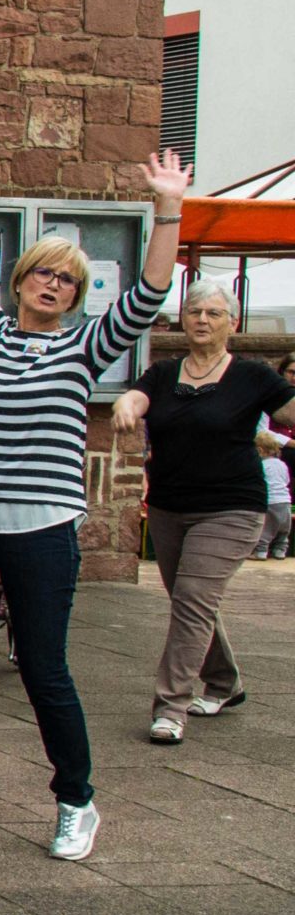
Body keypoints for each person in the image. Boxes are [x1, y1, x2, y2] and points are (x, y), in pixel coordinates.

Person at [0, 149, 191, 862]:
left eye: (68, 279)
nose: (53, 284)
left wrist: (169, 207)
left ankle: (76, 799)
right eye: (44, 273)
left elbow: (148, 290)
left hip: (42, 528)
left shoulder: (86, 345)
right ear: (20, 281)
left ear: (77, 295)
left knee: (44, 667)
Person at [112, 282, 295, 742]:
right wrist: (124, 406)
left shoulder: (252, 376)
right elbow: (137, 397)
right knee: (191, 602)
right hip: (171, 507)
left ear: (232, 323)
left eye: (214, 312)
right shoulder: (164, 372)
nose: (202, 319)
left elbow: (290, 412)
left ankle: (170, 707)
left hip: (232, 507)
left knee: (192, 601)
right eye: (194, 311)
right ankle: (225, 683)